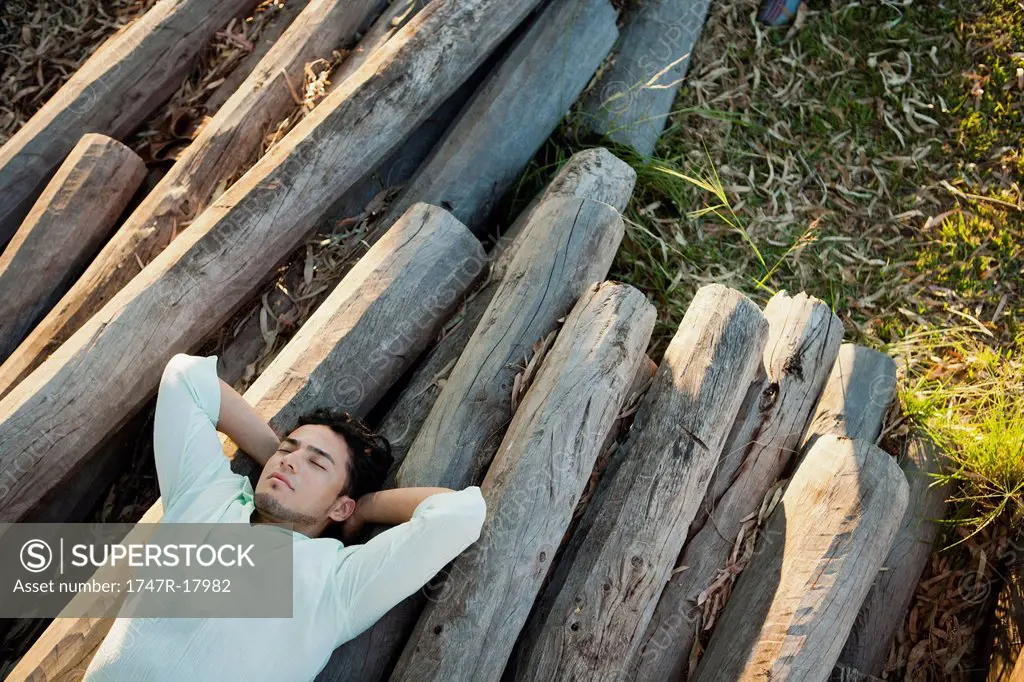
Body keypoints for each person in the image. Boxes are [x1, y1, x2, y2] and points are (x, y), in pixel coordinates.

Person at [84, 353, 487, 681]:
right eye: (289, 448)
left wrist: (365, 507)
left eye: (316, 463)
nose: (291, 461)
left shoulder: (337, 584)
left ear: (339, 505)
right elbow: (184, 377)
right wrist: (275, 459)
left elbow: (460, 514)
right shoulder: (204, 498)